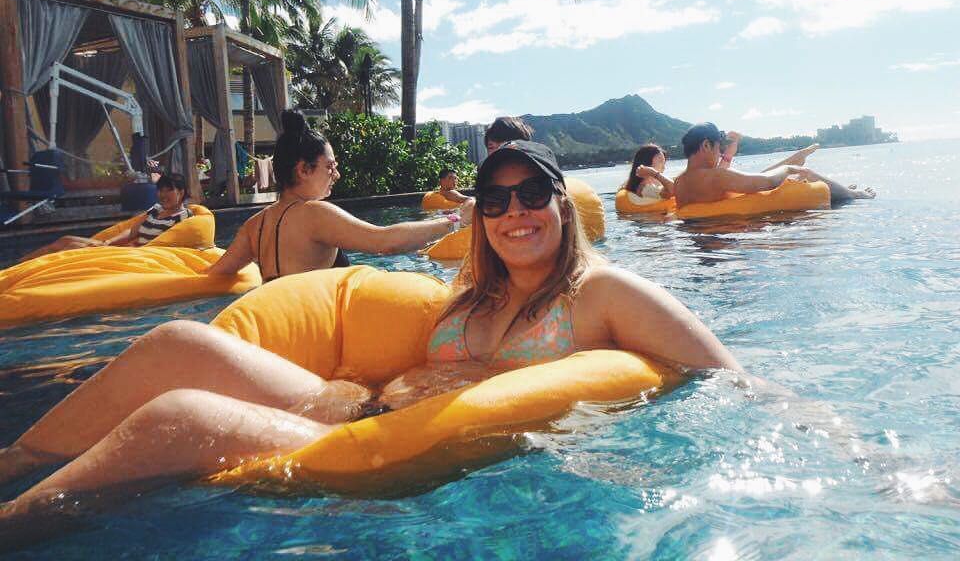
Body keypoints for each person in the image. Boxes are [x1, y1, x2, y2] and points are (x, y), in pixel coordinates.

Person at [0, 140, 740, 525]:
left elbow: (727, 375)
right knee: (177, 345)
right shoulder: (474, 290)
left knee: (180, 418)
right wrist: (358, 389)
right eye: (494, 199)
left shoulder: (602, 292)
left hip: (395, 449)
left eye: (533, 193)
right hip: (355, 407)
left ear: (562, 205)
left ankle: (14, 525)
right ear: (479, 215)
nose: (514, 211)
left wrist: (812, 431)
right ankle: (14, 462)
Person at [207, 110, 469, 282]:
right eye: (330, 167)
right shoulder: (314, 214)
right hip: (314, 335)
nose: (337, 174)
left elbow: (217, 273)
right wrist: (457, 220)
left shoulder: (254, 225)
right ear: (304, 170)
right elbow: (386, 242)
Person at [673, 122, 875, 207]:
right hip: (730, 241)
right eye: (718, 148)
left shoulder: (680, 182)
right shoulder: (714, 176)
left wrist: (728, 154)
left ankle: (842, 189)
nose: (719, 153)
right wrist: (788, 168)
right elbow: (767, 182)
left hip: (704, 243)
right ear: (706, 145)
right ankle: (855, 195)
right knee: (803, 173)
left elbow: (717, 182)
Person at [19, 174, 194, 261]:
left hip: (136, 255)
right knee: (65, 240)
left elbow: (176, 242)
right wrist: (109, 242)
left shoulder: (183, 217)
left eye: (168, 190)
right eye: (160, 190)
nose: (163, 195)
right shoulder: (156, 209)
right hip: (124, 247)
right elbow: (132, 231)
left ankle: (32, 271)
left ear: (181, 192)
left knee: (72, 248)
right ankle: (18, 267)